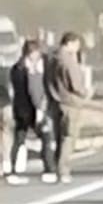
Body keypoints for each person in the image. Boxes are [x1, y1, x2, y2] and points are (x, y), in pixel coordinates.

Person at [8, 40, 57, 185]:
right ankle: (49, 169)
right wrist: (40, 109)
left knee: (19, 140)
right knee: (45, 138)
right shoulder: (27, 70)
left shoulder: (18, 68)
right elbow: (33, 91)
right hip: (31, 110)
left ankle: (13, 171)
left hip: (23, 110)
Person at [46, 32, 91, 183]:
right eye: (77, 45)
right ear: (70, 43)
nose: (78, 49)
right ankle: (63, 169)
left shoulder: (51, 60)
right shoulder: (69, 61)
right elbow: (76, 85)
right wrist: (85, 92)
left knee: (59, 136)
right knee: (69, 137)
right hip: (70, 103)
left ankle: (56, 167)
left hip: (55, 102)